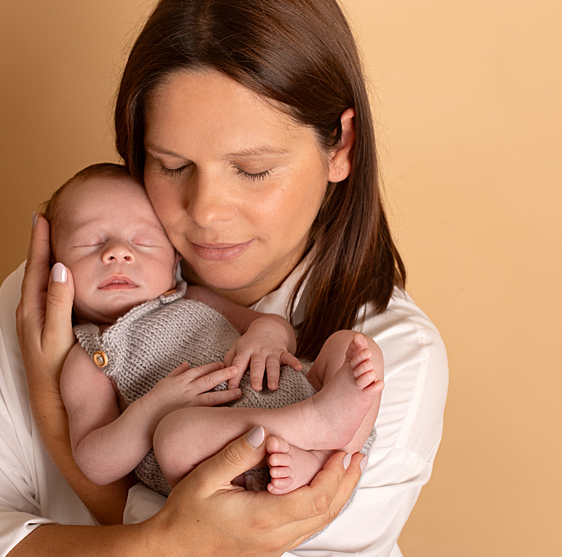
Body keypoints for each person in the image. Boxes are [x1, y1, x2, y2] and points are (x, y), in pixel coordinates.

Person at [0, 0, 448, 557]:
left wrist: (64, 444)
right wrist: (177, 541)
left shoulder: (383, 354)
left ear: (340, 147)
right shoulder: (56, 308)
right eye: (169, 164)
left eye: (251, 170)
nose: (205, 213)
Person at [44, 162, 383, 496]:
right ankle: (314, 428)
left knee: (351, 344)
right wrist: (155, 408)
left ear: (174, 259)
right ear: (55, 264)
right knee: (174, 435)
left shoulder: (194, 297)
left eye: (144, 242)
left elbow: (271, 325)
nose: (118, 253)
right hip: (224, 458)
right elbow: (94, 463)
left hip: (296, 401)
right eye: (90, 243)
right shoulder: (90, 356)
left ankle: (327, 457)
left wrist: (265, 337)